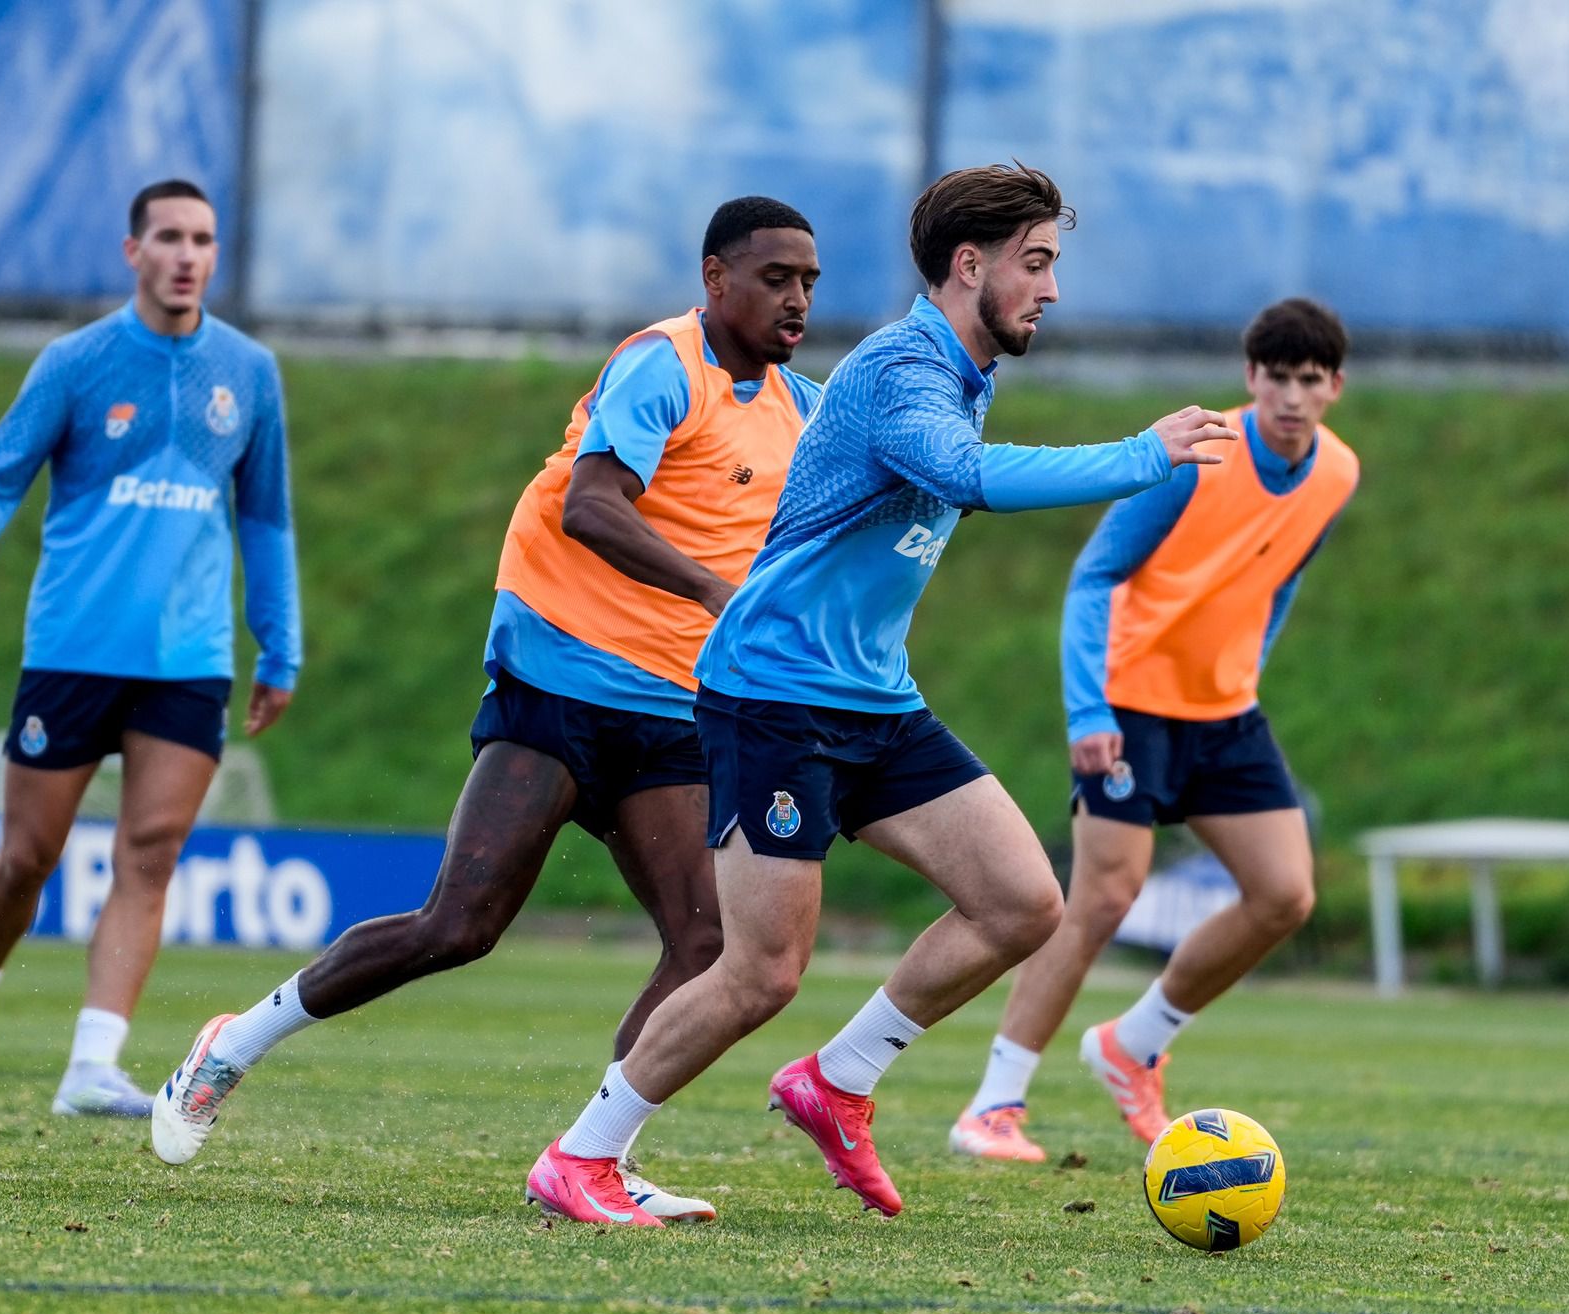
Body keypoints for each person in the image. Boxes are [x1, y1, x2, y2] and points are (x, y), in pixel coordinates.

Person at [521, 163, 1235, 1227]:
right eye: (1035, 264)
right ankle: (580, 1156)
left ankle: (837, 1080)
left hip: (868, 696)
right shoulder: (904, 367)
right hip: (772, 692)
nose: (1050, 289)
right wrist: (1142, 452)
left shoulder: (963, 370)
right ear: (968, 265)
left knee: (1021, 900)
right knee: (761, 972)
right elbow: (970, 478)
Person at [151, 198, 823, 1222]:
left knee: (707, 946)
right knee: (457, 927)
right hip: (557, 681)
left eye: (810, 281)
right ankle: (229, 1045)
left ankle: (596, 1156)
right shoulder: (661, 363)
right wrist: (708, 591)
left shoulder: (800, 409)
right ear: (715, 277)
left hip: (674, 710)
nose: (797, 299)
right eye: (776, 277)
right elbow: (587, 503)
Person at [0, 179, 302, 1118]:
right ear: (133, 252)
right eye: (169, 237)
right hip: (73, 648)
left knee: (149, 852)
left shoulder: (249, 371)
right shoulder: (75, 363)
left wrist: (281, 643)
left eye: (203, 238)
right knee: (26, 856)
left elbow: (267, 517)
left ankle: (91, 1064)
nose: (188, 254)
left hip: (189, 657)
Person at [948, 298, 1359, 1163]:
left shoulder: (1337, 474)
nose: (1290, 395)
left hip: (1225, 713)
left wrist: (1249, 662)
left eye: (1308, 380)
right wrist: (1090, 710)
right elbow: (1095, 574)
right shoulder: (1199, 455)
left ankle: (1133, 1044)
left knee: (1285, 893)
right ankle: (993, 1103)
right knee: (1102, 896)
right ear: (1251, 378)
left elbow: (1278, 577)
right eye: (1275, 377)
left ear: (1335, 388)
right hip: (1132, 702)